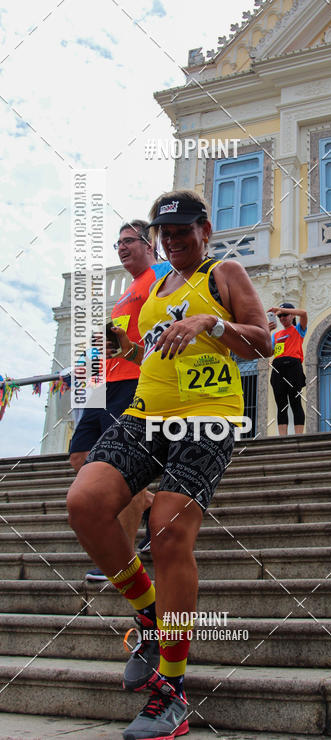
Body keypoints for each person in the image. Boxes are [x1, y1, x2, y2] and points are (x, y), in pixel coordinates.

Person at [66, 190, 271, 740]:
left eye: (183, 231)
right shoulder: (156, 285)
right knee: (85, 502)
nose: (173, 241)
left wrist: (212, 323)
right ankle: (150, 613)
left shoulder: (223, 272)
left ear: (204, 230)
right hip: (146, 413)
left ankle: (171, 691)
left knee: (168, 533)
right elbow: (157, 353)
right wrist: (124, 348)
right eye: (165, 233)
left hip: (207, 417)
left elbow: (263, 343)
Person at [69, 220, 170, 579]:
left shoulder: (161, 274)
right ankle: (150, 504)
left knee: (126, 467)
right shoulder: (128, 292)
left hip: (134, 383)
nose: (122, 248)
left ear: (149, 245)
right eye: (118, 243)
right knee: (80, 455)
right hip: (105, 384)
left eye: (129, 241)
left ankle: (125, 560)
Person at [268, 302, 308, 436]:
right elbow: (268, 351)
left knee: (295, 402)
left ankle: (299, 436)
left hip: (293, 367)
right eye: (280, 316)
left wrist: (280, 309)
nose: (282, 318)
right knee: (281, 404)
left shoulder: (298, 329)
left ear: (292, 315)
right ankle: (282, 438)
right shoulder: (276, 335)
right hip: (278, 368)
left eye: (285, 315)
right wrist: (267, 331)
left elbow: (304, 314)